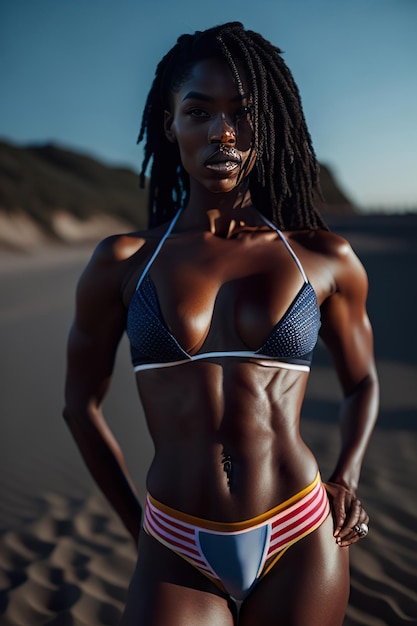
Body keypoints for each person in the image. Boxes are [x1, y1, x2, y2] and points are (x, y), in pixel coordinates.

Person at [63, 22, 379, 625]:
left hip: (300, 531)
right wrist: (140, 529)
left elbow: (362, 382)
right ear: (170, 124)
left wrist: (348, 475)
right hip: (174, 541)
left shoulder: (322, 256)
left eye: (242, 112)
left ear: (269, 124)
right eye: (199, 112)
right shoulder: (124, 261)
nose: (223, 132)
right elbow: (80, 406)